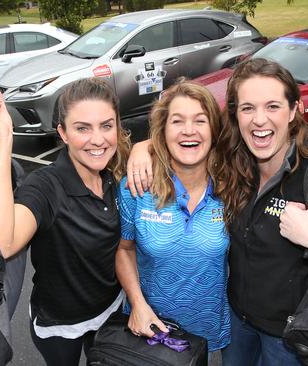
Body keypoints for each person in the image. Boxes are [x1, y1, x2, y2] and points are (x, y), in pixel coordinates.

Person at [127, 58, 308, 366]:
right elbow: (186, 137)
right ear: (235, 115)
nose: (259, 120)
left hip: (289, 339)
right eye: (248, 108)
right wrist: (145, 148)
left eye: (272, 106)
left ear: (294, 110)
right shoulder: (235, 165)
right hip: (238, 329)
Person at [0, 78, 131, 366]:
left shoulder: (115, 172)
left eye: (107, 125)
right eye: (82, 128)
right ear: (63, 133)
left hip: (111, 310)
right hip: (60, 325)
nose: (98, 139)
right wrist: (3, 138)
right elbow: (2, 243)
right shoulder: (45, 187)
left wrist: (146, 150)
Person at [115, 80, 231, 359]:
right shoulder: (137, 187)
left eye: (200, 121)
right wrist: (138, 304)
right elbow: (124, 250)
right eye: (177, 121)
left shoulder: (233, 186)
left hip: (207, 328)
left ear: (214, 130)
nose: (189, 130)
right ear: (163, 132)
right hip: (150, 329)